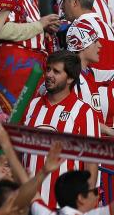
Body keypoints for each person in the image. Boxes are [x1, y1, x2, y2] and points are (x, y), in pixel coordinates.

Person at [22, 51, 100, 209]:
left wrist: (84, 207)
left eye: (56, 71)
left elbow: (90, 165)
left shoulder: (84, 112)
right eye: (48, 69)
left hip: (62, 207)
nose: (49, 74)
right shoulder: (32, 105)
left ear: (70, 78)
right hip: (27, 203)